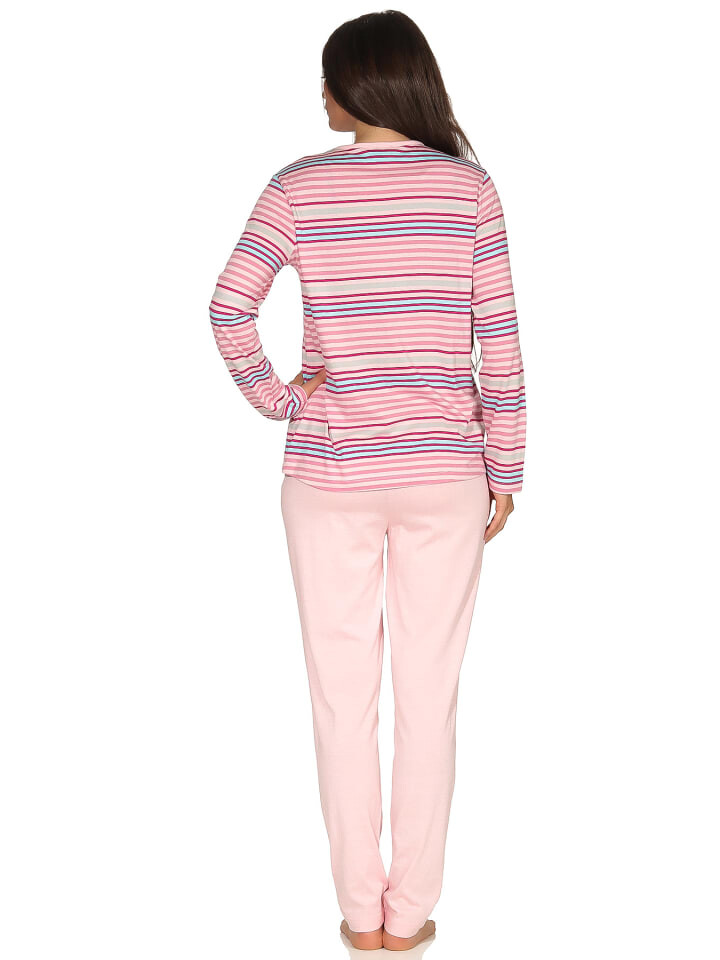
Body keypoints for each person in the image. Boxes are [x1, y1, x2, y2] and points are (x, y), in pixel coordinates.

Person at [208, 10, 526, 952]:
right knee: (430, 697)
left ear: (361, 83)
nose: (320, 93)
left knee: (341, 699)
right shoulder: (469, 190)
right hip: (445, 472)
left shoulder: (297, 187)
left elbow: (227, 307)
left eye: (328, 77)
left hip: (330, 475)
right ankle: (410, 915)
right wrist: (506, 467)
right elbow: (501, 344)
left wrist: (281, 399)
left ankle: (359, 917)